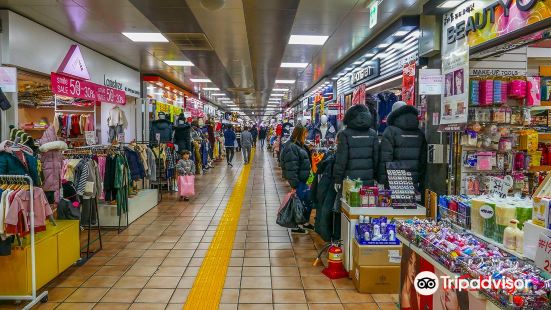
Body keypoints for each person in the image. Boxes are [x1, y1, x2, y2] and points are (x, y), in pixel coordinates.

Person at [379, 101, 427, 192]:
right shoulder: (419, 133)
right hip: (415, 179)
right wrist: (420, 178)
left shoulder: (390, 131)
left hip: (395, 180)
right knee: (414, 205)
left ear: (393, 114)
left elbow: (385, 159)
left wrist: (383, 180)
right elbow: (423, 159)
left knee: (396, 204)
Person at [333, 104, 379, 190]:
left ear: (349, 117)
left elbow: (341, 160)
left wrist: (338, 179)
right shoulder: (373, 134)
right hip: (369, 178)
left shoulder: (344, 134)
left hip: (350, 180)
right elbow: (376, 158)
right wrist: (377, 177)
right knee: (367, 201)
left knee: (349, 202)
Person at [281, 126, 314, 234]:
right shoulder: (291, 147)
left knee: (306, 201)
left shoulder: (300, 145)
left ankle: (304, 222)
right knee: (297, 203)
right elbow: (291, 167)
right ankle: (295, 226)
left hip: (303, 179)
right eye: (305, 133)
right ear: (300, 134)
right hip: (298, 181)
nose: (307, 135)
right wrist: (294, 184)